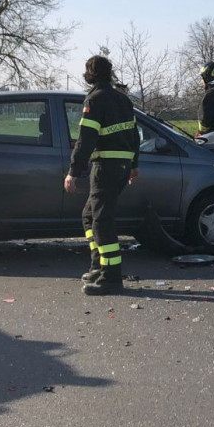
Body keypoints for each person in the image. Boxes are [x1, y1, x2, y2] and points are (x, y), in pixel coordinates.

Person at [64, 55, 141, 295]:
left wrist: (73, 172)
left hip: (105, 167)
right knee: (90, 216)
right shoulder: (122, 99)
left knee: (101, 220)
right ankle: (98, 265)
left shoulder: (95, 99)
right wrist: (133, 164)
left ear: (90, 75)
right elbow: (134, 135)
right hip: (121, 167)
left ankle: (111, 278)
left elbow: (86, 139)